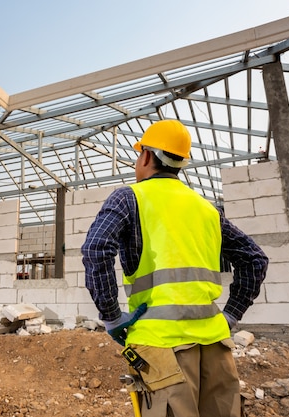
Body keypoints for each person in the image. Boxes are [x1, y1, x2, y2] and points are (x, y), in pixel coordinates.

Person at [82, 119, 268, 417]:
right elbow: (254, 259)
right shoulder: (207, 209)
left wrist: (112, 317)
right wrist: (230, 314)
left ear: (145, 156)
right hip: (215, 346)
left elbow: (95, 249)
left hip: (160, 347)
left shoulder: (129, 198)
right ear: (180, 162)